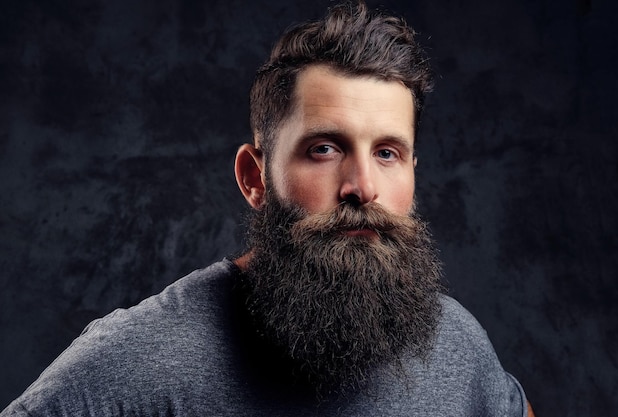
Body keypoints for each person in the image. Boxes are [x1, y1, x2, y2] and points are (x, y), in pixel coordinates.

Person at [2, 1, 535, 416]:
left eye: (388, 153)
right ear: (255, 177)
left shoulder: (457, 348)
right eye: (324, 149)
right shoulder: (141, 360)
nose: (362, 186)